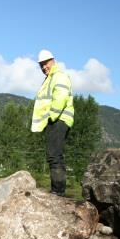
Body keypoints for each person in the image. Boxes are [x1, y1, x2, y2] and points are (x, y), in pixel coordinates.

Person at [31, 49, 74, 196]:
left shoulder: (59, 76)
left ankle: (58, 192)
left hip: (58, 120)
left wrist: (51, 116)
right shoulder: (50, 78)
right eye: (41, 65)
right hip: (55, 120)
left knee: (55, 156)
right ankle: (57, 190)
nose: (44, 68)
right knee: (54, 155)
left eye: (45, 64)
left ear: (53, 61)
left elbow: (60, 97)